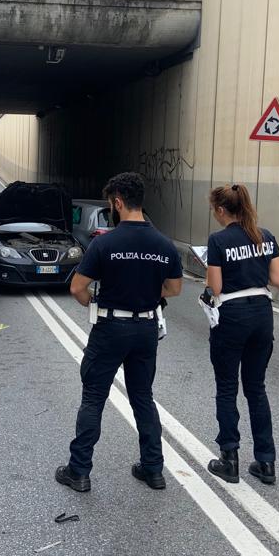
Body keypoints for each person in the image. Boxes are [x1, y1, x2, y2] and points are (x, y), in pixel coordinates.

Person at [56, 172, 183, 493]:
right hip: (145, 328)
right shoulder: (163, 244)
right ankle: (153, 469)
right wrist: (146, 293)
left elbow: (77, 287)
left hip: (111, 327)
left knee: (94, 398)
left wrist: (94, 303)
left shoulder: (105, 243)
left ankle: (79, 471)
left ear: (117, 202)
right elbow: (174, 288)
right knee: (143, 398)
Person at [203, 183, 279, 486]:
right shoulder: (266, 237)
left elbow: (216, 287)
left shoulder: (218, 240)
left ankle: (229, 459)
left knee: (227, 388)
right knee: (256, 388)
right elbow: (278, 279)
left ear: (222, 210)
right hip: (262, 313)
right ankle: (266, 462)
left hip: (232, 315)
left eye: (215, 210)